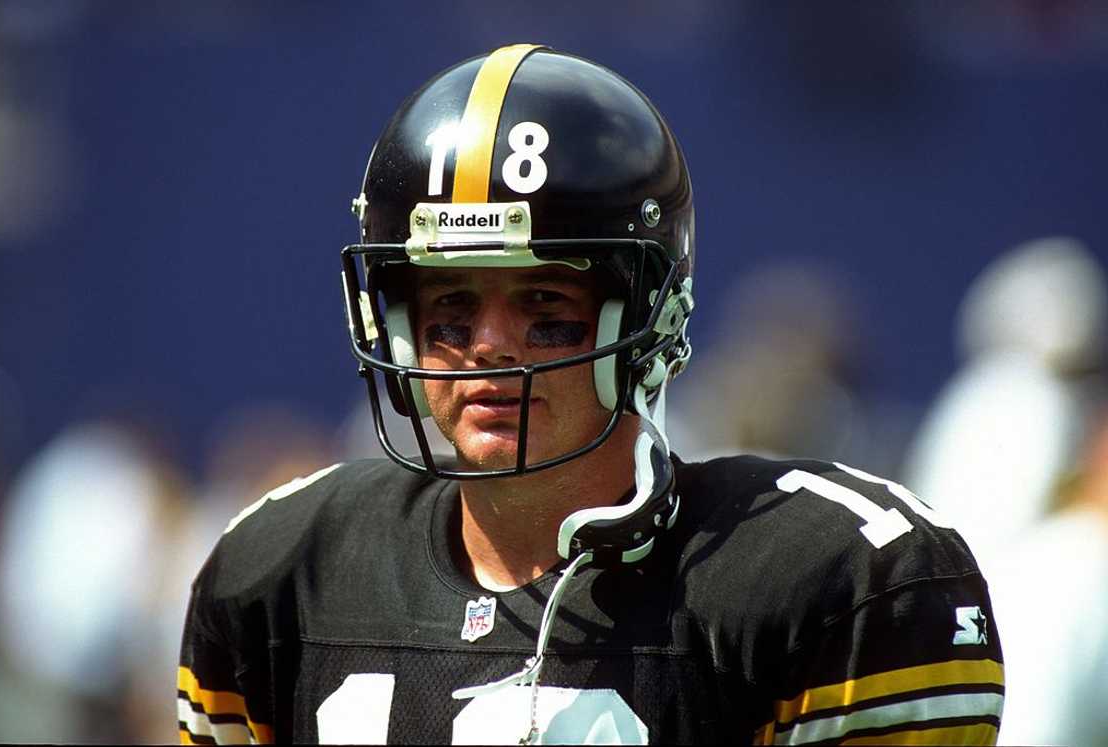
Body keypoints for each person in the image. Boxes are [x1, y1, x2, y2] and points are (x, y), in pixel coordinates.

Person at [178, 45, 1004, 745]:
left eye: (546, 307)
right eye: (450, 308)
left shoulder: (836, 582)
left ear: (649, 313)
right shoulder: (281, 575)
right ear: (392, 323)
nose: (489, 346)